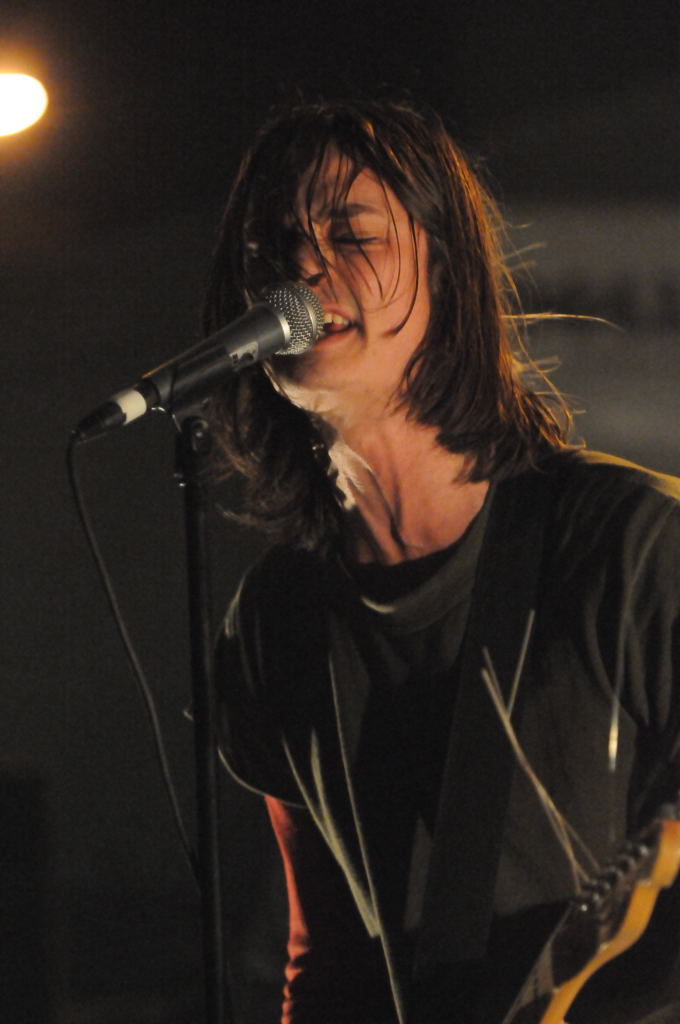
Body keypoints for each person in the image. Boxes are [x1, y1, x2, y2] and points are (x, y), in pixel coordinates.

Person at [205, 99, 680, 1023]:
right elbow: (327, 958)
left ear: (448, 271)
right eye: (272, 244)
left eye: (352, 233)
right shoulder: (274, 623)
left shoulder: (632, 546)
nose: (304, 266)